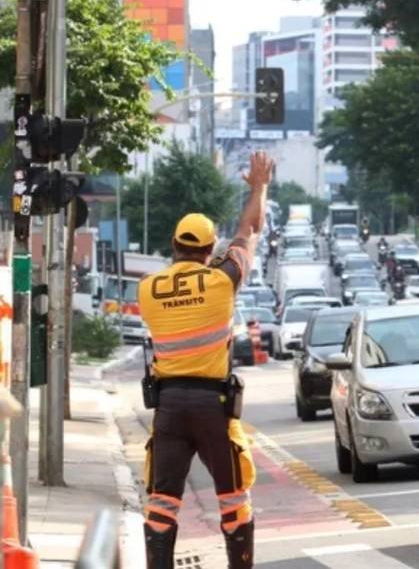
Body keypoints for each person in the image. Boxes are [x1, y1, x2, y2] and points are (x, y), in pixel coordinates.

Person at [138, 151, 274, 569]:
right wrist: (259, 186)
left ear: (174, 246)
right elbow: (250, 229)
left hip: (169, 408)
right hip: (213, 408)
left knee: (162, 502)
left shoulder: (148, 290)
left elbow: (178, 280)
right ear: (210, 248)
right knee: (234, 499)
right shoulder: (221, 281)